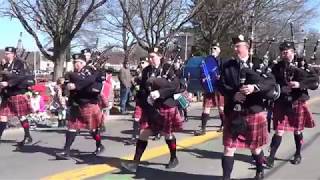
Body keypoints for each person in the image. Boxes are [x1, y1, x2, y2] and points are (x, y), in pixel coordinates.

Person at [218, 35, 276, 180]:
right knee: (229, 148)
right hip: (234, 111)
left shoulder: (258, 63)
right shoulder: (228, 65)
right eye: (234, 46)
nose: (235, 49)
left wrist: (254, 87)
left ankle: (259, 169)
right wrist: (233, 95)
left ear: (247, 48)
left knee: (255, 148)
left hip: (253, 110)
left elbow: (270, 82)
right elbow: (221, 85)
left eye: (238, 46)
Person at [121, 47, 183, 173]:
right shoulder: (147, 71)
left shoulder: (167, 69)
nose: (150, 59)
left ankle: (173, 158)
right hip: (151, 107)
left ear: (160, 56)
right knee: (143, 133)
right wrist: (143, 97)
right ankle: (135, 163)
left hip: (166, 105)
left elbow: (175, 87)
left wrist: (160, 93)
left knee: (168, 134)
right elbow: (143, 87)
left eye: (153, 57)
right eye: (149, 57)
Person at [266, 41, 319, 168]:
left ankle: (298, 153)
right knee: (279, 130)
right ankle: (271, 157)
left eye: (287, 52)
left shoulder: (302, 64)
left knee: (297, 130)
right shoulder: (277, 66)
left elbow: (314, 81)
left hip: (297, 101)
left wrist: (300, 84)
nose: (285, 54)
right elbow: (270, 81)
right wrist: (278, 89)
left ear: (293, 52)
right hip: (282, 102)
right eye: (282, 52)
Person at [55, 53, 105, 159]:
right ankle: (66, 151)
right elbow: (67, 85)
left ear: (83, 63)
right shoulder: (72, 74)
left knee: (93, 129)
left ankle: (99, 145)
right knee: (71, 127)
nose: (76, 65)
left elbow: (95, 87)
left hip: (88, 103)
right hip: (76, 104)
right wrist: (65, 86)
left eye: (78, 63)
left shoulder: (91, 72)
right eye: (75, 63)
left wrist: (77, 86)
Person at [0, 47, 34, 146]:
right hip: (7, 94)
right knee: (2, 116)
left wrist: (8, 83)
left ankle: (27, 136)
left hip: (17, 92)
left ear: (14, 54)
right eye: (6, 53)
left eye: (9, 53)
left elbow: (21, 77)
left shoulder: (19, 63)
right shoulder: (5, 65)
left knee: (21, 116)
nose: (7, 55)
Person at [194, 42, 225, 136]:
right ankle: (203, 129)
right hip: (209, 87)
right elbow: (203, 71)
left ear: (219, 50)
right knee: (206, 108)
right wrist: (203, 79)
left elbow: (224, 73)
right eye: (212, 48)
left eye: (215, 48)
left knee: (221, 108)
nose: (213, 50)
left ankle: (224, 125)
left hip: (218, 88)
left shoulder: (221, 60)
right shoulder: (206, 60)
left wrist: (221, 77)